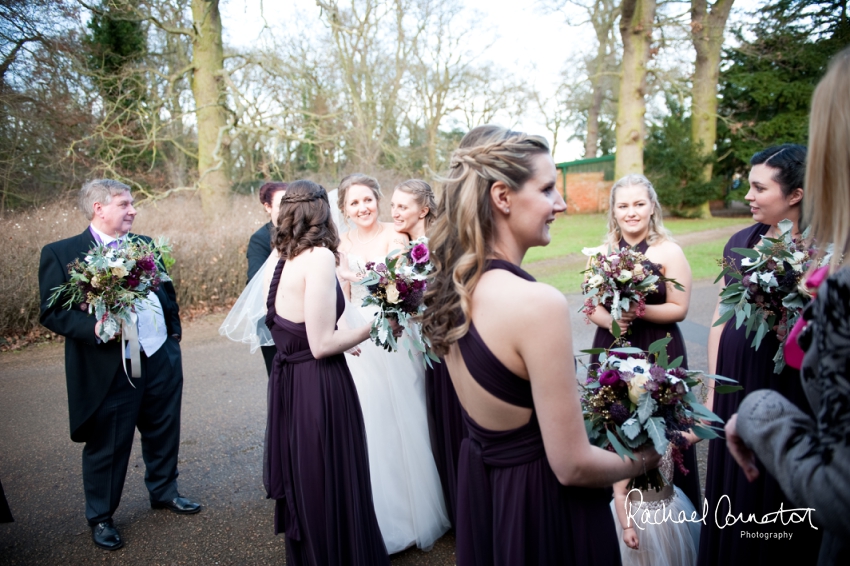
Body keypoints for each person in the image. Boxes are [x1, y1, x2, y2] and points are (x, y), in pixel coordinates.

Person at [421, 125, 661, 565]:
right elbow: (572, 465)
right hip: (541, 510)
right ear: (502, 196)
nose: (561, 204)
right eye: (548, 188)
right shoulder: (536, 304)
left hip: (489, 497)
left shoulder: (451, 288)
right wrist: (650, 454)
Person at [725, 47, 850, 566]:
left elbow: (840, 490)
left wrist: (758, 413)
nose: (750, 196)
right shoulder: (742, 242)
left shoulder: (835, 272)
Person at [38, 179, 200, 551]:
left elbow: (166, 291)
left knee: (163, 428)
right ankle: (101, 516)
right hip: (110, 366)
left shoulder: (145, 246)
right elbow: (51, 311)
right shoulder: (64, 253)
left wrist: (173, 335)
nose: (133, 210)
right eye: (125, 204)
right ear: (99, 208)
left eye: (132, 203)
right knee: (108, 443)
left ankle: (164, 491)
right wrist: (93, 327)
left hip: (160, 356)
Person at [697, 144, 823, 565]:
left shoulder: (824, 250)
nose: (747, 195)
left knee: (768, 485)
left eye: (758, 187)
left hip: (780, 383)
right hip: (735, 377)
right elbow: (720, 313)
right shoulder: (740, 241)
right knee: (730, 486)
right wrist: (715, 387)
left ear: (796, 195)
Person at [263, 179, 391, 565]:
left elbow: (299, 330)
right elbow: (320, 345)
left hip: (293, 388)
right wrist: (381, 322)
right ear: (322, 211)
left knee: (313, 483)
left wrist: (343, 336)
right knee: (332, 482)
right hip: (319, 388)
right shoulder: (318, 256)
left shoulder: (286, 255)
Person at [336, 173, 451, 553]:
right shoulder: (341, 244)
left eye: (367, 200)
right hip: (358, 337)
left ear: (377, 200)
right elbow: (344, 294)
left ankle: (419, 512)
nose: (362, 208)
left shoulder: (395, 237)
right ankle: (383, 519)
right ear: (344, 208)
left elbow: (405, 287)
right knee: (372, 422)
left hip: (395, 335)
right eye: (354, 203)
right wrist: (341, 332)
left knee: (409, 416)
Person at [585, 174, 700, 509]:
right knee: (611, 419)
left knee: (659, 425)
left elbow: (679, 308)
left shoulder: (669, 251)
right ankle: (616, 512)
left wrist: (638, 311)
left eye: (639, 204)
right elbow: (591, 306)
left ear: (652, 207)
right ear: (613, 211)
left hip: (657, 347)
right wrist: (612, 321)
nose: (631, 212)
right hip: (611, 345)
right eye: (623, 205)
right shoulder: (601, 253)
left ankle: (664, 511)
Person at [391, 179, 466, 529]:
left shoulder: (443, 244)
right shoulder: (401, 250)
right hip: (420, 350)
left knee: (454, 422)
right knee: (434, 423)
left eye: (402, 206)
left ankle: (467, 507)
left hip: (448, 346)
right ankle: (453, 506)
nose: (394, 212)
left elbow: (455, 294)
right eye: (392, 206)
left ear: (423, 210)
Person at [610, 448, 701, 566]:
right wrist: (628, 528)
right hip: (639, 520)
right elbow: (621, 495)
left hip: (670, 513)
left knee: (670, 553)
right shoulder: (628, 456)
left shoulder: (667, 442)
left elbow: (690, 438)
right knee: (644, 557)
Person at [247, 181, 288, 375]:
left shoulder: (305, 232)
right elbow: (255, 280)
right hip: (272, 319)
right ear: (268, 206)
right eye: (281, 205)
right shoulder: (260, 239)